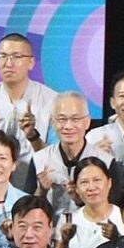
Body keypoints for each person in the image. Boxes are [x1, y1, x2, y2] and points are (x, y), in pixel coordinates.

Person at [0, 34, 57, 189]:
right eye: (3, 56)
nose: (9, 63)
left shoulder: (51, 100)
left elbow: (56, 156)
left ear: (31, 62)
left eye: (17, 56)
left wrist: (32, 135)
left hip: (38, 188)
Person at [29, 91, 95, 219]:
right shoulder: (39, 160)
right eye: (62, 119)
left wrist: (81, 200)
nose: (68, 126)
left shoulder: (104, 161)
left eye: (75, 119)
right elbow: (26, 211)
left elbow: (111, 209)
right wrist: (41, 191)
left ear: (87, 122)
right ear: (53, 123)